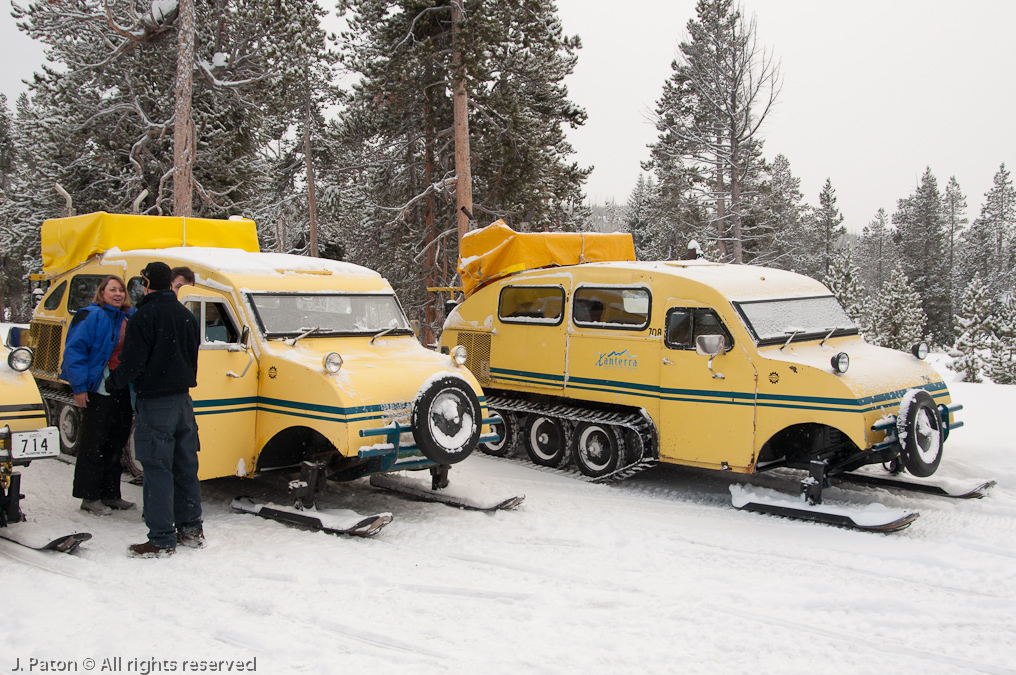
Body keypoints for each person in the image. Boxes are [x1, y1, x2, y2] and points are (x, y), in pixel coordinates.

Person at [107, 261, 203, 558]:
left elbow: (133, 362)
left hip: (155, 401)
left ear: (146, 284)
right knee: (185, 465)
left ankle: (161, 538)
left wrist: (115, 382)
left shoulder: (143, 317)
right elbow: (191, 355)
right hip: (183, 401)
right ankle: (190, 529)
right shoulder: (186, 316)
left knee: (157, 467)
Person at [61, 276, 136, 516]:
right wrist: (79, 387)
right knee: (95, 442)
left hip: (122, 386)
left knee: (116, 441)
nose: (117, 294)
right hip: (98, 387)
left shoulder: (128, 316)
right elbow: (75, 350)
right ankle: (89, 496)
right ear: (101, 293)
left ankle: (111, 494)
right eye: (112, 290)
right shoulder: (90, 315)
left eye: (121, 290)